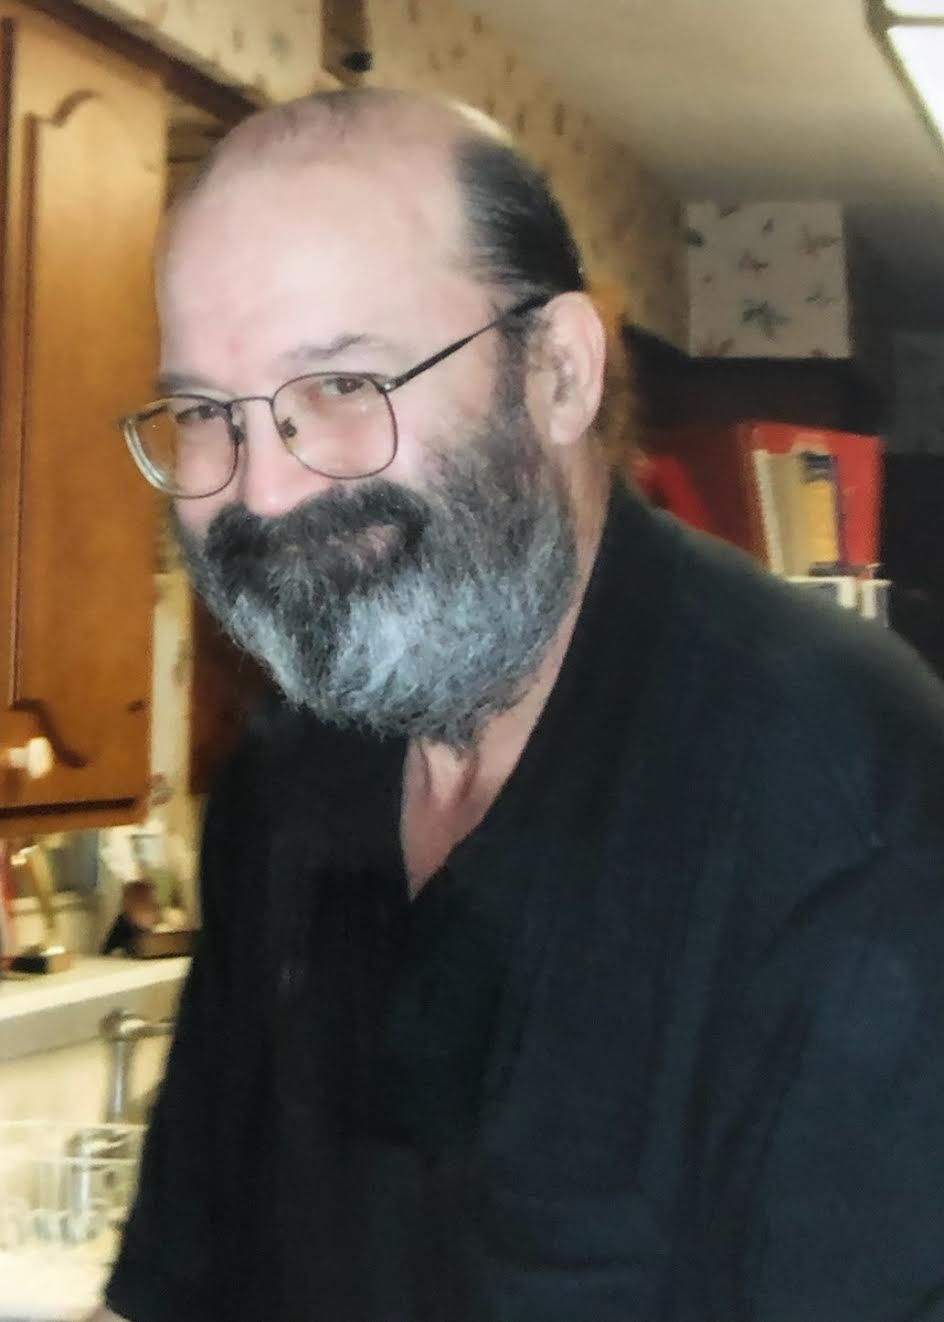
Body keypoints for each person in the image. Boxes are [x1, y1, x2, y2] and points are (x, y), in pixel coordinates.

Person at [91, 88, 944, 1322]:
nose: (261, 491)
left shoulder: (845, 805)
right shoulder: (288, 780)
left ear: (556, 372)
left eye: (341, 382)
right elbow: (183, 1279)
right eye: (204, 413)